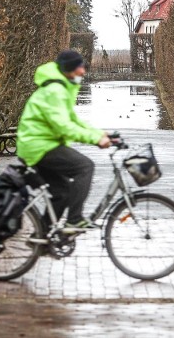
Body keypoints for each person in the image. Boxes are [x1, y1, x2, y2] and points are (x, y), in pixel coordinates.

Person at [16, 49, 111, 231]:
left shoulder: (60, 87)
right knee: (85, 167)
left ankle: (42, 238)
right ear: (69, 69)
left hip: (39, 144)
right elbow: (64, 126)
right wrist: (96, 140)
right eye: (79, 67)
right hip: (39, 146)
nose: (83, 71)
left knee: (62, 192)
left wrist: (99, 133)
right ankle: (74, 220)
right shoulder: (55, 90)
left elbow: (73, 120)